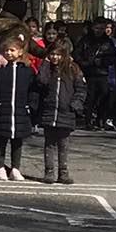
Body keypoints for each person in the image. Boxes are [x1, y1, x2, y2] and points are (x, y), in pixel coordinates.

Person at [32, 38, 84, 183]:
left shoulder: (73, 69)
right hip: (49, 111)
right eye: (52, 54)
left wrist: (75, 105)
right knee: (49, 144)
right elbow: (41, 81)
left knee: (63, 144)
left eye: (58, 54)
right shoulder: (48, 69)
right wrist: (45, 63)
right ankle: (49, 171)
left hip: (66, 112)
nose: (55, 57)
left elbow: (81, 89)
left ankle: (63, 172)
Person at [0, 37, 35, 180]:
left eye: (12, 50)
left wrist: (30, 106)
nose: (9, 53)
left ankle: (15, 168)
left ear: (20, 52)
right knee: (0, 141)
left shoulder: (27, 72)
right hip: (2, 111)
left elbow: (33, 90)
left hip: (20, 112)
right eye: (6, 50)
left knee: (17, 141)